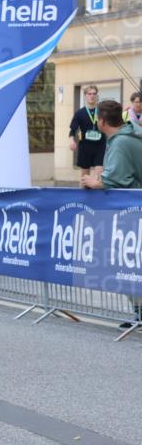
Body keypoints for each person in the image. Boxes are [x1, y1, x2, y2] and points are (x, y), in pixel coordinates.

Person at [80, 100, 142, 330]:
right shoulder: (129, 136)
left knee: (128, 265)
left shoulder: (121, 142)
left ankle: (140, 314)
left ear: (101, 121)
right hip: (132, 212)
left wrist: (92, 181)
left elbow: (113, 179)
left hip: (131, 215)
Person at [69, 85, 106, 184]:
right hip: (85, 147)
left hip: (100, 146)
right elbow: (73, 129)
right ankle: (82, 198)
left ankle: (98, 198)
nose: (92, 96)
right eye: (89, 94)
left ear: (97, 96)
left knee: (99, 176)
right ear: (85, 95)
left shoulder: (102, 112)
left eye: (94, 94)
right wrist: (72, 140)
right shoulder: (80, 113)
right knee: (85, 178)